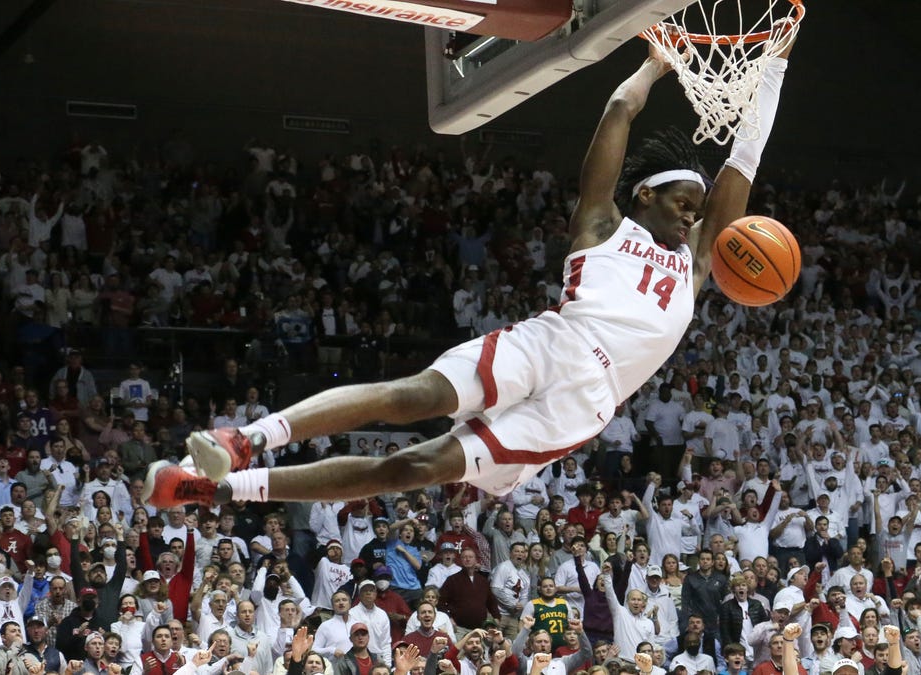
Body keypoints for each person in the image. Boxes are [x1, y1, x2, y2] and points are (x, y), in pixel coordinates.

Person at [142, 34, 799, 508]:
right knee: (410, 397)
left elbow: (746, 157)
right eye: (683, 202)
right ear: (645, 196)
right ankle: (246, 437)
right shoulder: (602, 226)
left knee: (413, 466)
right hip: (551, 341)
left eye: (697, 209)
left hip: (585, 400)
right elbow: (620, 113)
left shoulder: (697, 263)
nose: (693, 215)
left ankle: (217, 487)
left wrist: (773, 66)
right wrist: (653, 67)